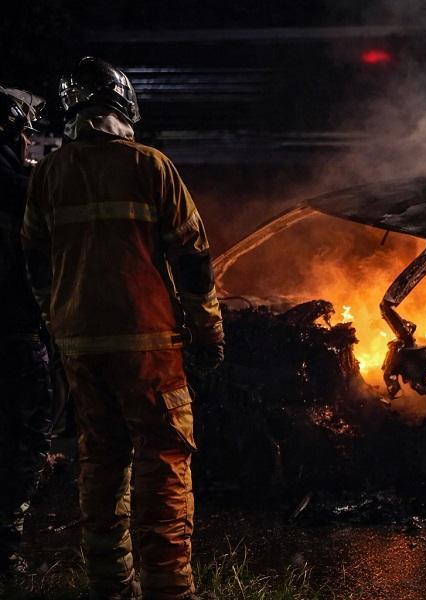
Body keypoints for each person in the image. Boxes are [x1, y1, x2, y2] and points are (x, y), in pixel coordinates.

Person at [21, 57, 224, 600]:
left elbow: (37, 265)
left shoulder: (47, 175)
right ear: (123, 104)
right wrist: (208, 333)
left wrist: (56, 322)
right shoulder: (151, 167)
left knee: (101, 463)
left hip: (81, 349)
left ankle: (110, 587)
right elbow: (194, 260)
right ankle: (169, 590)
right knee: (163, 462)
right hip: (149, 347)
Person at [0, 86, 54, 576]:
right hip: (15, 333)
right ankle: (4, 546)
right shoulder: (21, 192)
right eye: (25, 135)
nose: (29, 144)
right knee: (25, 430)